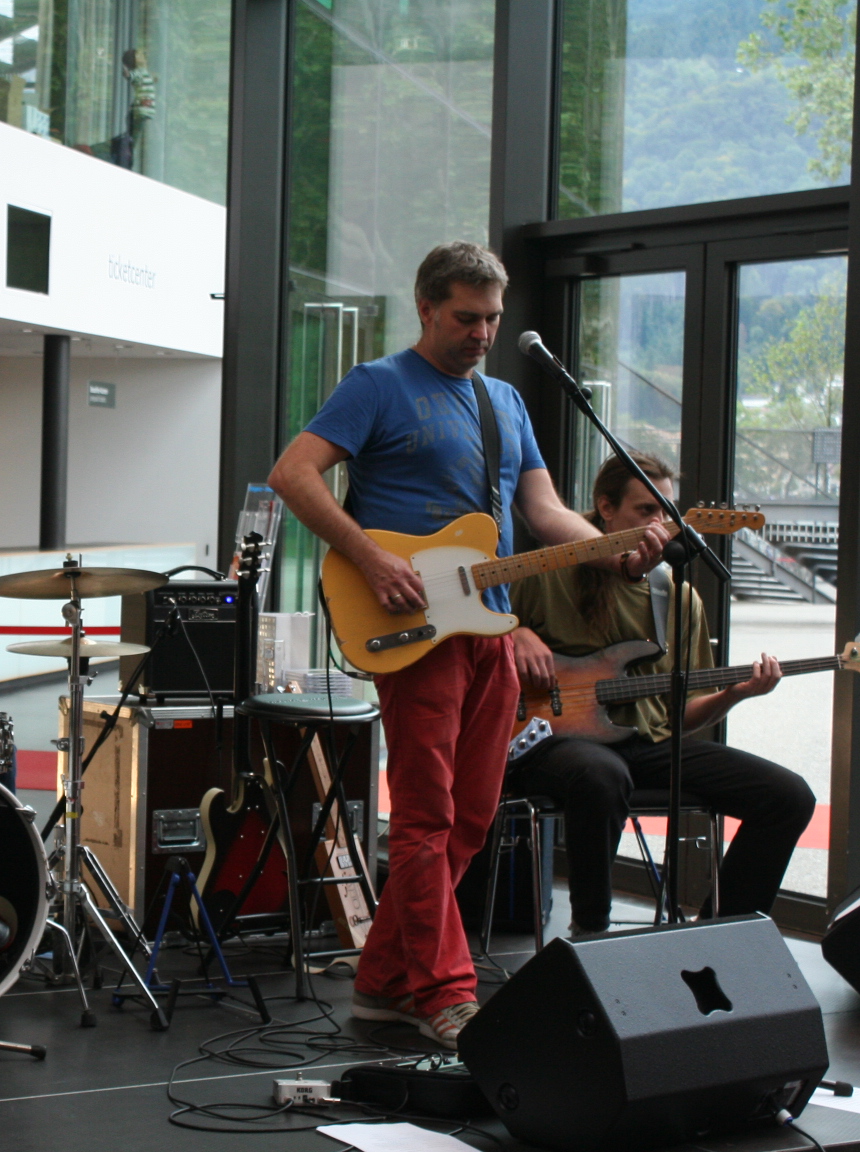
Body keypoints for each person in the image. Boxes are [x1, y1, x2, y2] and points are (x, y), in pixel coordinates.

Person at [267, 241, 667, 1050]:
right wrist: (370, 557)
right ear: (426, 308)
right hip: (416, 630)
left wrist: (612, 550)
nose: (482, 333)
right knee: (426, 816)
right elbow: (293, 474)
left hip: (491, 626)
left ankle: (383, 985)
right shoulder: (378, 385)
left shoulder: (504, 402)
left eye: (492, 318)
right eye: (466, 317)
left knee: (470, 821)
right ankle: (446, 995)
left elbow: (542, 513)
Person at [508, 452, 815, 933]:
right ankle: (590, 932)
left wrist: (734, 694)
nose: (659, 524)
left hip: (644, 745)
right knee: (601, 774)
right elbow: (475, 625)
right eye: (645, 510)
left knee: (788, 796)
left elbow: (681, 715)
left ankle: (723, 932)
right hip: (551, 742)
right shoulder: (548, 569)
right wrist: (513, 634)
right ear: (605, 508)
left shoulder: (677, 596)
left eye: (667, 512)